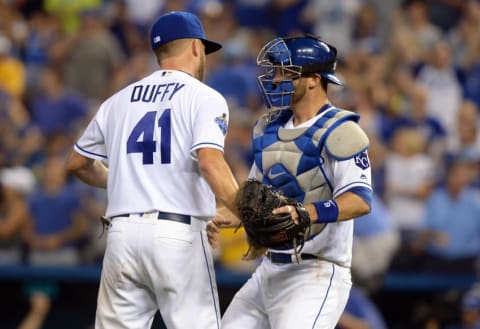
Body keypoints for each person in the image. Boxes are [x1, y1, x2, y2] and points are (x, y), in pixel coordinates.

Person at [66, 11, 239, 329]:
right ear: (196, 48)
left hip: (122, 237)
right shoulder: (204, 97)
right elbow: (210, 162)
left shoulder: (117, 101)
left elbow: (77, 163)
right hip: (178, 236)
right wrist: (246, 212)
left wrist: (127, 182)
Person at [208, 35, 372, 329]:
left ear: (313, 79)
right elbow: (256, 198)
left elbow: (359, 200)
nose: (274, 80)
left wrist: (305, 213)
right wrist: (224, 216)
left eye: (285, 72)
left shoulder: (341, 129)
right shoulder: (268, 127)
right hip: (268, 269)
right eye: (275, 71)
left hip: (316, 273)